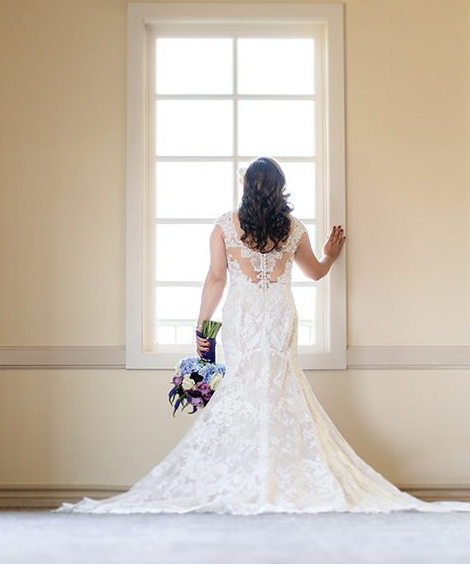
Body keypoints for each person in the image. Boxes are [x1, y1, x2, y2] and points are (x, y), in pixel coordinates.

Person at [57, 158, 470, 514]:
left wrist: (203, 328)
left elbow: (216, 280)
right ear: (280, 189)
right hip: (278, 316)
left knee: (246, 387)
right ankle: (275, 474)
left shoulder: (224, 226)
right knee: (279, 385)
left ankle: (249, 474)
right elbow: (316, 272)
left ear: (245, 187)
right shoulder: (293, 228)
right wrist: (330, 252)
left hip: (244, 315)